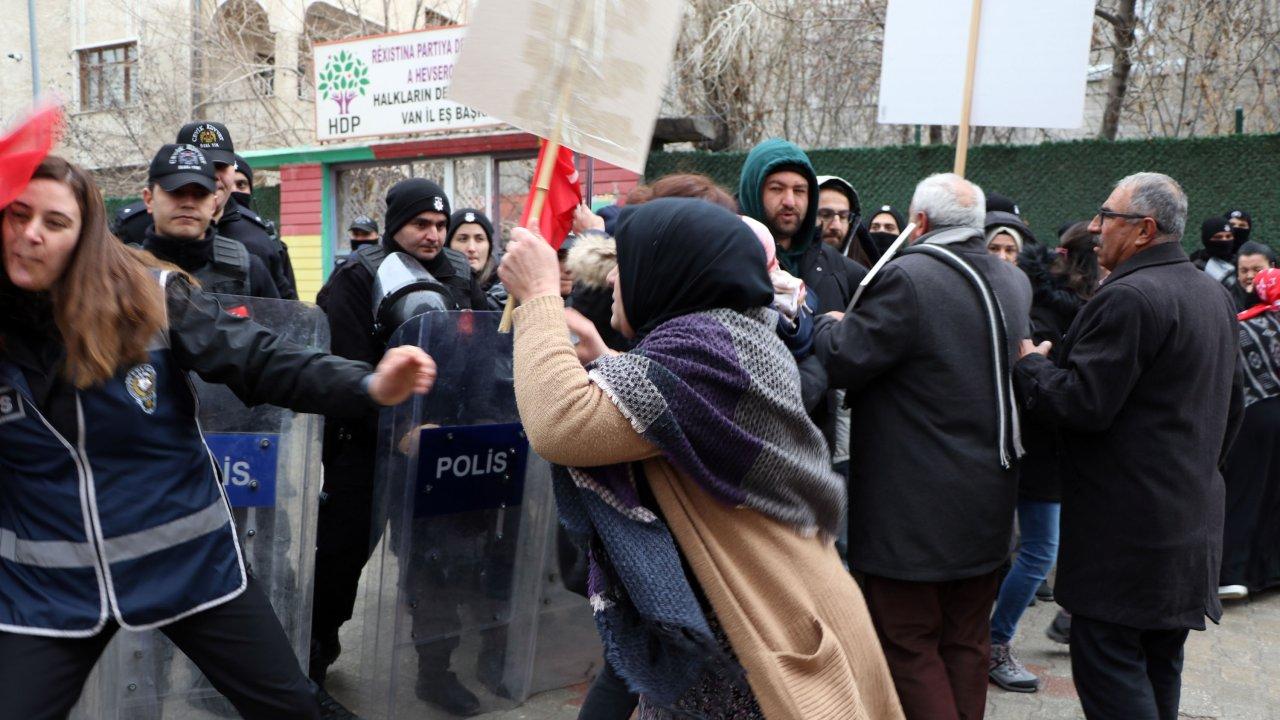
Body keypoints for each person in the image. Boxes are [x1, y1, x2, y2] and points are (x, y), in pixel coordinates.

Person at [0, 156, 436, 720]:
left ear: (84, 236)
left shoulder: (149, 295)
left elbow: (260, 357)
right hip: (48, 588)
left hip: (189, 563)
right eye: (17, 215)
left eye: (55, 223)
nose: (31, 234)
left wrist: (369, 382)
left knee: (292, 708)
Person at [499, 197, 904, 720]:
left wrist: (538, 298)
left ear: (669, 273)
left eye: (627, 264)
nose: (615, 280)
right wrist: (609, 360)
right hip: (769, 614)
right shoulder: (729, 337)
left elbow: (562, 424)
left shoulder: (706, 350)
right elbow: (675, 407)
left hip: (758, 646)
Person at [1014, 172, 1242, 720]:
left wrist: (1032, 365)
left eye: (1106, 216)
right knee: (1159, 671)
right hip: (1186, 527)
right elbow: (1230, 413)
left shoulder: (1131, 297)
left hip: (1126, 542)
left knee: (1114, 674)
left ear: (1143, 230)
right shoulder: (1211, 293)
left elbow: (1081, 405)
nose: (1095, 228)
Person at [812, 173, 1031, 720]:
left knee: (909, 643)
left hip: (915, 510)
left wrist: (826, 324)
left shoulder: (910, 279)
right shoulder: (1013, 281)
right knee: (966, 642)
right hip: (990, 499)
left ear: (921, 224)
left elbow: (845, 357)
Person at [310, 177, 484, 716]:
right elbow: (343, 370)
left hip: (442, 447)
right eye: (420, 225)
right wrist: (396, 428)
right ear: (394, 227)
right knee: (341, 559)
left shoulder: (458, 274)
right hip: (367, 447)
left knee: (440, 565)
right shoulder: (356, 280)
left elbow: (480, 349)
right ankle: (312, 663)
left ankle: (437, 671)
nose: (433, 236)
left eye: (439, 225)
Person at [986, 222, 1101, 693]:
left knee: (1036, 549)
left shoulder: (1087, 304)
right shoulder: (1044, 307)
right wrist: (1043, 364)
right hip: (1033, 445)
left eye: (1010, 247)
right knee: (1036, 551)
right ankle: (993, 643)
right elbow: (1031, 377)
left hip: (1057, 448)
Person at [136, 144, 279, 299]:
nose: (188, 203)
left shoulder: (249, 270)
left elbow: (281, 322)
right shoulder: (125, 272)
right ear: (149, 199)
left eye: (200, 194)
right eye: (176, 192)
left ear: (213, 204)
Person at [1219, 267, 1280, 600]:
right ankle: (1269, 573)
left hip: (1254, 417)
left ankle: (1231, 573)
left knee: (1243, 493)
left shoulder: (1244, 326)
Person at [447, 208, 506, 310]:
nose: (471, 248)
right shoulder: (438, 285)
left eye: (479, 239)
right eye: (462, 239)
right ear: (448, 245)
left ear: (489, 246)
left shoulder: (507, 284)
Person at [816, 175, 872, 266]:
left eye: (843, 216)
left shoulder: (859, 275)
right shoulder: (786, 270)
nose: (836, 226)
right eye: (825, 215)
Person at [1191, 215, 1237, 285]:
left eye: (1228, 236)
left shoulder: (1238, 262)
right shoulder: (1196, 266)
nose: (1224, 240)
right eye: (1218, 237)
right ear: (1206, 239)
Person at [1232, 240, 1276, 311]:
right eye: (1244, 271)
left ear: (1272, 267)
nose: (1250, 276)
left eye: (1257, 270)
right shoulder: (1228, 302)